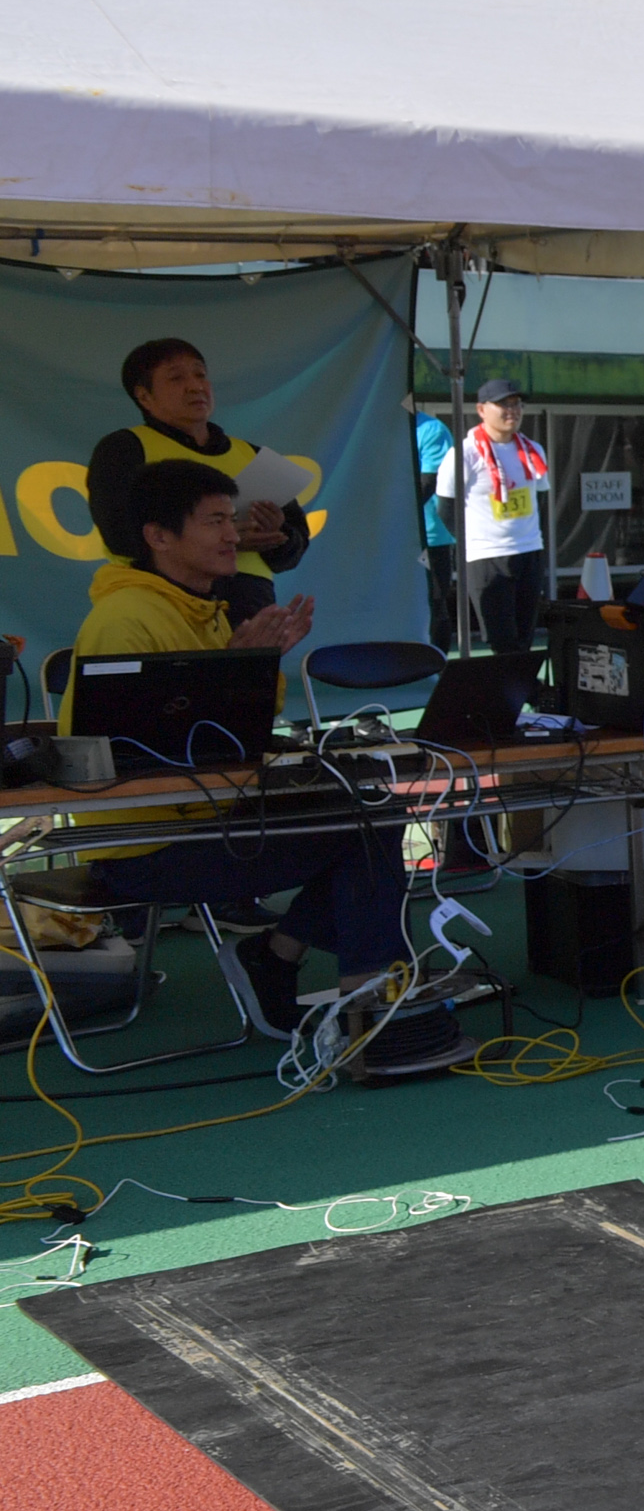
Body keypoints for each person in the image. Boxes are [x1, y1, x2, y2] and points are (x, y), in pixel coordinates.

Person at [69, 464, 419, 1051]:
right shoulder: (126, 619)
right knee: (363, 830)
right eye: (214, 522)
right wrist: (236, 672)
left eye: (230, 520)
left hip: (208, 819)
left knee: (371, 813)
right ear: (159, 536)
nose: (235, 535)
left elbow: (230, 736)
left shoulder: (201, 607)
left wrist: (251, 669)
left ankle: (305, 970)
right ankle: (360, 1003)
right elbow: (137, 758)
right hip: (145, 846)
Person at [86, 339, 311, 630]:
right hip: (163, 604)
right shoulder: (123, 449)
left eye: (200, 375)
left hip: (249, 610)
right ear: (144, 396)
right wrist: (221, 541)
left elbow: (294, 549)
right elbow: (119, 534)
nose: (195, 387)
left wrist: (277, 536)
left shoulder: (253, 455)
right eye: (176, 378)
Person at [431, 376, 552, 674]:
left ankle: (524, 695)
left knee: (525, 636)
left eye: (517, 404)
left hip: (529, 551)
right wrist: (471, 543)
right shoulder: (464, 453)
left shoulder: (533, 449)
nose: (512, 411)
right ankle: (512, 693)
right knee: (501, 640)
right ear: (481, 409)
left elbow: (540, 498)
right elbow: (445, 507)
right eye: (503, 405)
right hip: (486, 557)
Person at [412, 407, 459, 648]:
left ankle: (438, 663)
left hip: (431, 539)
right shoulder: (378, 429)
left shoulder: (432, 429)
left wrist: (396, 513)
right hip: (388, 535)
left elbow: (428, 482)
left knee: (434, 602)